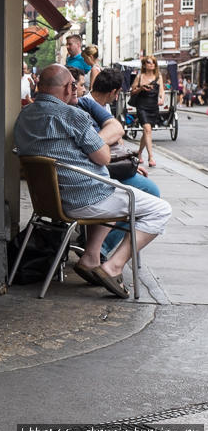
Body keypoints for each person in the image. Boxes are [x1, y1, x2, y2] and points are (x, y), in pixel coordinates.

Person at [14, 64, 171, 299]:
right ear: (69, 88)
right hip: (83, 198)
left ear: (39, 86)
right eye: (75, 86)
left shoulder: (24, 115)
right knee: (160, 210)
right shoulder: (72, 115)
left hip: (48, 202)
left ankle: (91, 258)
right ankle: (113, 267)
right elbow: (103, 156)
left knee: (108, 188)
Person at [76, 68, 162, 260]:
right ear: (114, 92)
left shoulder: (101, 106)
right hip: (101, 170)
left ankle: (97, 245)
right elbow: (97, 148)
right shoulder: (86, 106)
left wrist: (127, 162)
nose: (80, 90)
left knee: (145, 186)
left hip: (112, 164)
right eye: (79, 85)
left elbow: (118, 139)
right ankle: (100, 248)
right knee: (152, 194)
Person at [130, 55, 164, 168]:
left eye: (153, 62)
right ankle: (150, 157)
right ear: (144, 65)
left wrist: (162, 98)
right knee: (147, 129)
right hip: (142, 106)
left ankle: (139, 153)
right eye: (149, 62)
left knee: (147, 132)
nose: (152, 64)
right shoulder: (140, 76)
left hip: (153, 106)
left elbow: (162, 90)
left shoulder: (158, 76)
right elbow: (132, 91)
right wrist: (141, 88)